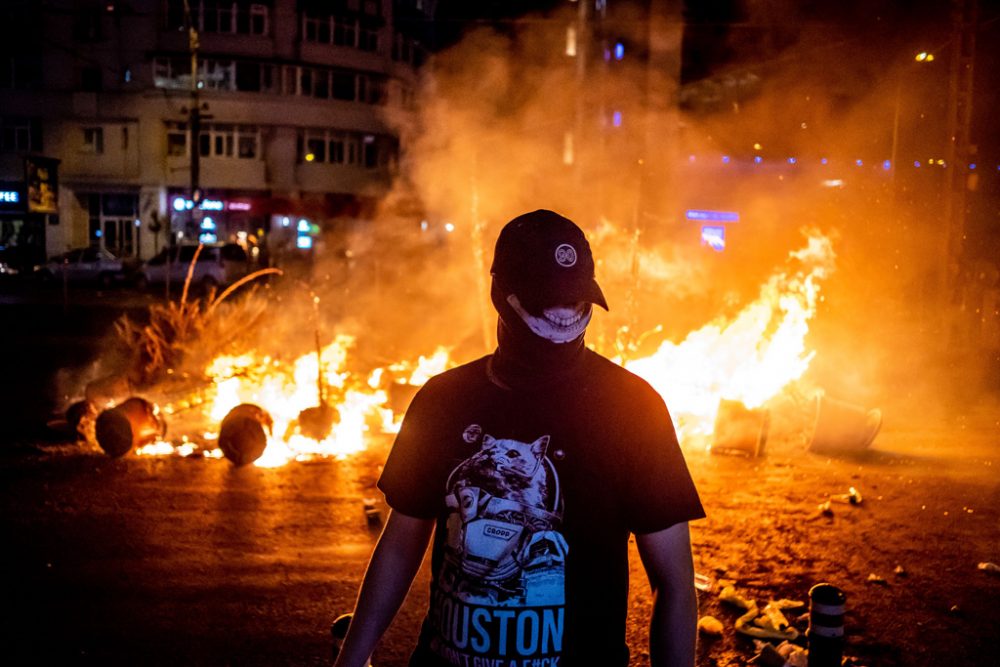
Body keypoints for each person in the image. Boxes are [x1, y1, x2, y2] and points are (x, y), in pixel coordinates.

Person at [334, 209, 705, 667]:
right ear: (502, 294)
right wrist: (351, 660)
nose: (565, 314)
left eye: (575, 299)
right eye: (549, 300)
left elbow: (673, 582)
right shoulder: (443, 400)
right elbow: (399, 545)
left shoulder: (634, 408)